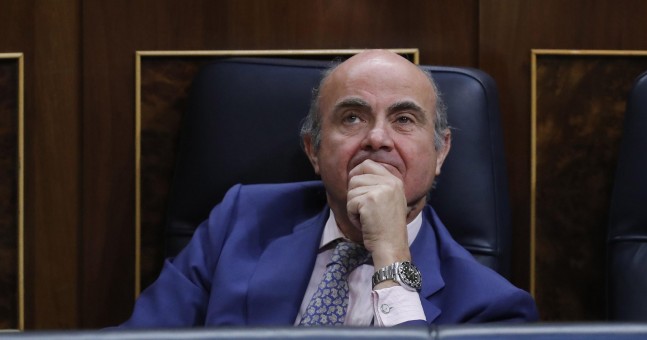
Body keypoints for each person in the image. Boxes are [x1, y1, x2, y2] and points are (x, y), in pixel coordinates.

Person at [120, 50, 538, 327]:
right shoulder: (240, 219)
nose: (377, 138)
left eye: (404, 119)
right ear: (313, 150)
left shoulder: (493, 309)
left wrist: (390, 256)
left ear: (441, 151)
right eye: (352, 117)